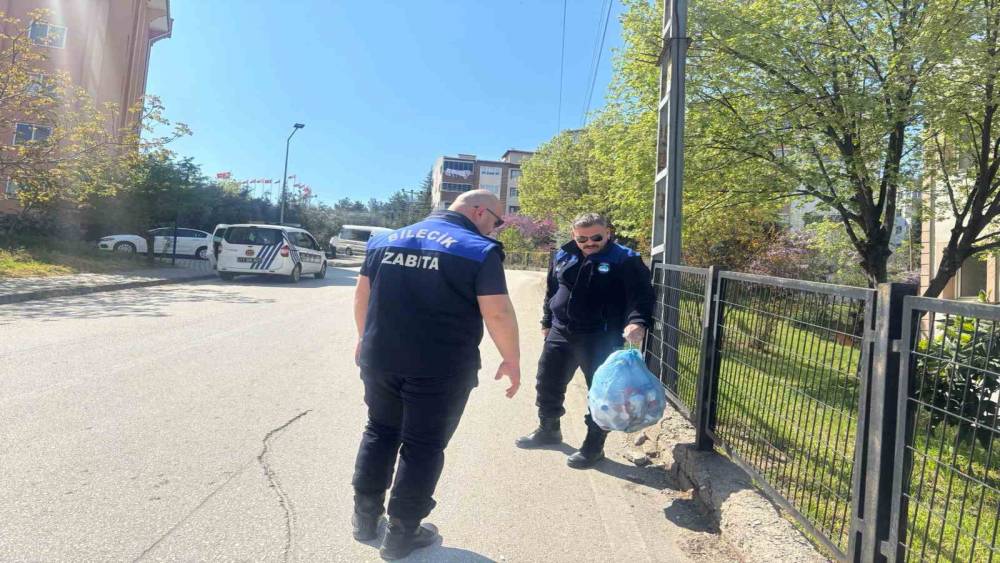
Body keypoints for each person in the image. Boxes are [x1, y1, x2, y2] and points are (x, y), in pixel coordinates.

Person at [351, 190, 521, 560]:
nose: (494, 229)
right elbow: (497, 314)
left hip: (379, 358)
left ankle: (365, 520)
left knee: (379, 431)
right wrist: (512, 359)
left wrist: (364, 339)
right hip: (439, 367)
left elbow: (362, 295)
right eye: (495, 220)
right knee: (423, 445)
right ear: (479, 211)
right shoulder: (477, 249)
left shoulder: (383, 240)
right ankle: (401, 535)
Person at [516, 212, 654, 469]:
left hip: (600, 335)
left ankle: (594, 447)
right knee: (547, 382)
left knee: (600, 393)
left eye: (596, 237)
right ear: (573, 236)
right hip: (561, 331)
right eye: (582, 239)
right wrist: (546, 321)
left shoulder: (625, 259)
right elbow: (552, 290)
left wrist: (637, 322)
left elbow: (642, 295)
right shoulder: (563, 254)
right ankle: (549, 429)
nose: (589, 243)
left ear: (608, 233)